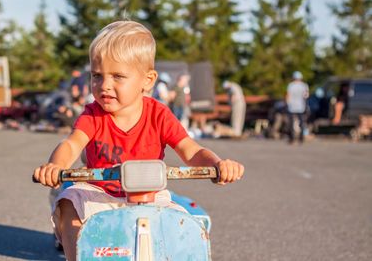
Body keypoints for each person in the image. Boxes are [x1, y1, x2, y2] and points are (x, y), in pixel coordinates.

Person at [32, 21, 244, 261]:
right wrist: (56, 166)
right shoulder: (93, 115)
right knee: (69, 202)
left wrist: (217, 165)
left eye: (118, 76)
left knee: (184, 226)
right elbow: (72, 144)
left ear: (148, 80)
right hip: (100, 195)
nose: (105, 86)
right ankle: (77, 257)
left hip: (149, 197)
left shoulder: (159, 114)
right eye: (97, 76)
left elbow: (191, 150)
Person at [286, 71, 309, 144]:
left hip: (292, 106)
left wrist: (287, 104)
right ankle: (301, 138)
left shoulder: (291, 85)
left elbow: (288, 96)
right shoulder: (304, 86)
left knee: (291, 123)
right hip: (301, 106)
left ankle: (292, 139)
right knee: (301, 122)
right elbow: (306, 96)